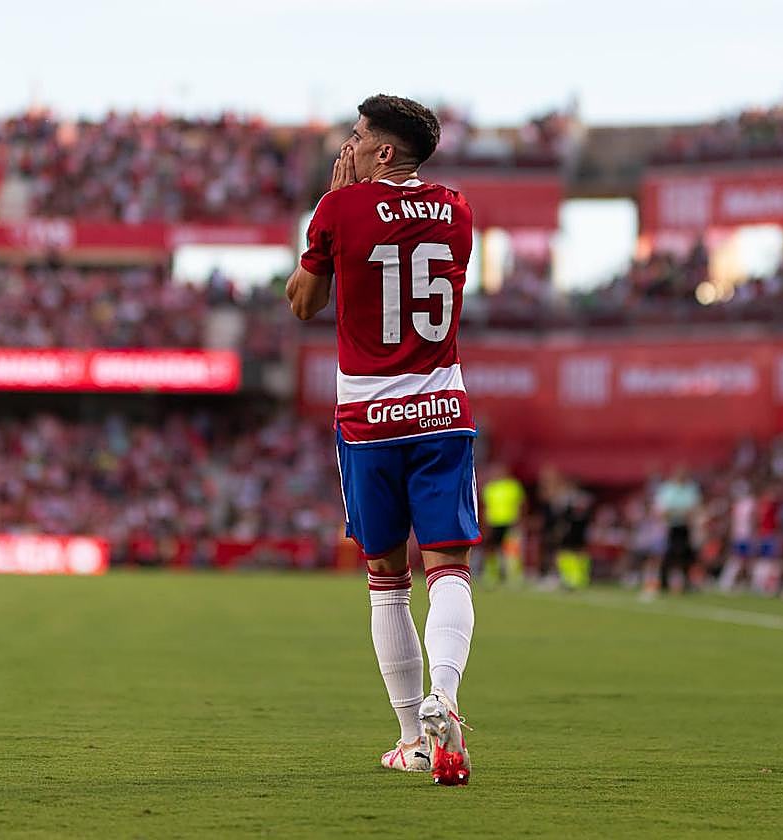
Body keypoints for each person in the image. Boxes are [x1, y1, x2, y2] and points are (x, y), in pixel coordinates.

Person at [286, 95, 478, 786]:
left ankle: (411, 738)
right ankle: (445, 699)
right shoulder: (458, 210)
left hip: (369, 420)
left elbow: (304, 302)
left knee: (387, 582)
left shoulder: (340, 209)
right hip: (442, 411)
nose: (351, 145)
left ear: (385, 151)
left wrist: (330, 212)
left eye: (360, 135)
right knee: (448, 567)